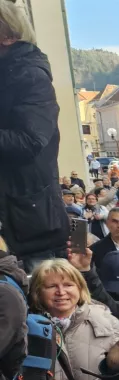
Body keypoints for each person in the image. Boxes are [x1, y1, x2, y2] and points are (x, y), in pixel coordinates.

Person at [0, 4, 70, 273]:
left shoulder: (30, 76)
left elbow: (29, 141)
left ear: (8, 36)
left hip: (28, 226)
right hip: (17, 217)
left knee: (43, 306)